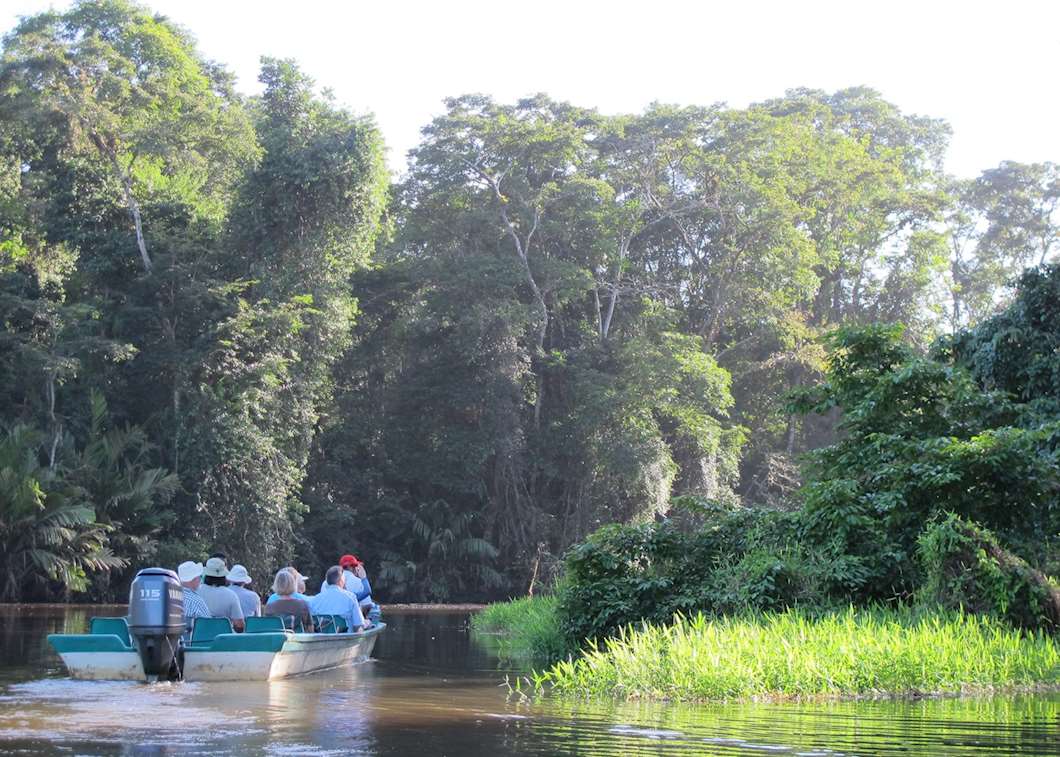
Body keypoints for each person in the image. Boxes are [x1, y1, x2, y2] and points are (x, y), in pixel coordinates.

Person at [309, 565, 366, 632]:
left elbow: (312, 625)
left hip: (321, 639)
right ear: (341, 580)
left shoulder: (314, 600)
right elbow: (358, 625)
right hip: (346, 639)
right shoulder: (351, 597)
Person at [196, 557, 245, 632]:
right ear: (224, 576)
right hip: (224, 641)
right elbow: (239, 625)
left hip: (198, 639)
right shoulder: (231, 595)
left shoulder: (195, 592)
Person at [263, 568, 314, 632]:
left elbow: (266, 628)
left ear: (276, 585)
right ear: (293, 584)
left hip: (275, 640)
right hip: (298, 640)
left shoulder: (269, 607)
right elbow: (310, 629)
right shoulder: (303, 605)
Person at [176, 560, 210, 638]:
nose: (200, 580)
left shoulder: (171, 597)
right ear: (193, 579)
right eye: (199, 577)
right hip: (192, 645)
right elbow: (208, 626)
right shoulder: (195, 601)